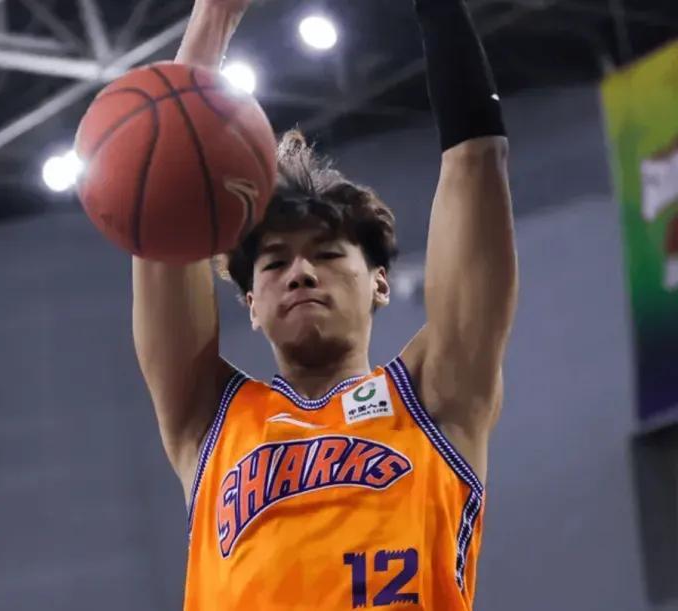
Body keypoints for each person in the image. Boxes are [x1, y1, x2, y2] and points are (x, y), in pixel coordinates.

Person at [132, 0, 518, 608]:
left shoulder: (435, 395)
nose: (302, 273)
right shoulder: (211, 420)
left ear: (380, 283)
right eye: (275, 262)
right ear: (251, 303)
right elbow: (168, 211)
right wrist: (213, 17)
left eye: (329, 254)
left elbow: (474, 161)